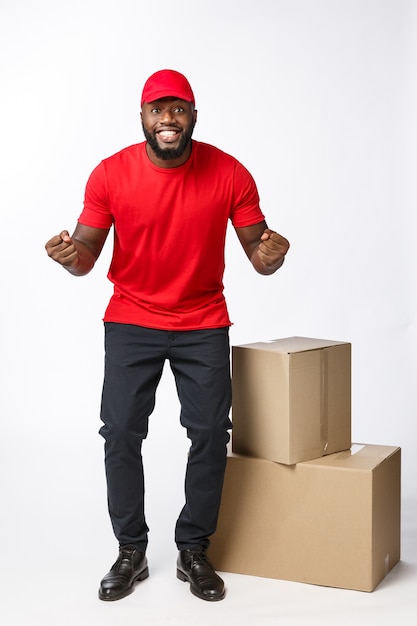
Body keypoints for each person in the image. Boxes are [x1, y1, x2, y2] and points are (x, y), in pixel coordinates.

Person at [45, 69, 290, 602]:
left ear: (194, 116)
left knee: (208, 433)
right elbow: (85, 255)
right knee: (121, 432)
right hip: (131, 319)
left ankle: (193, 550)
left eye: (178, 109)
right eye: (158, 110)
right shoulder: (110, 174)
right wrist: (70, 259)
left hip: (202, 321)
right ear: (142, 118)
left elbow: (258, 252)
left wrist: (271, 257)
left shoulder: (230, 173)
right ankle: (130, 550)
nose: (168, 120)